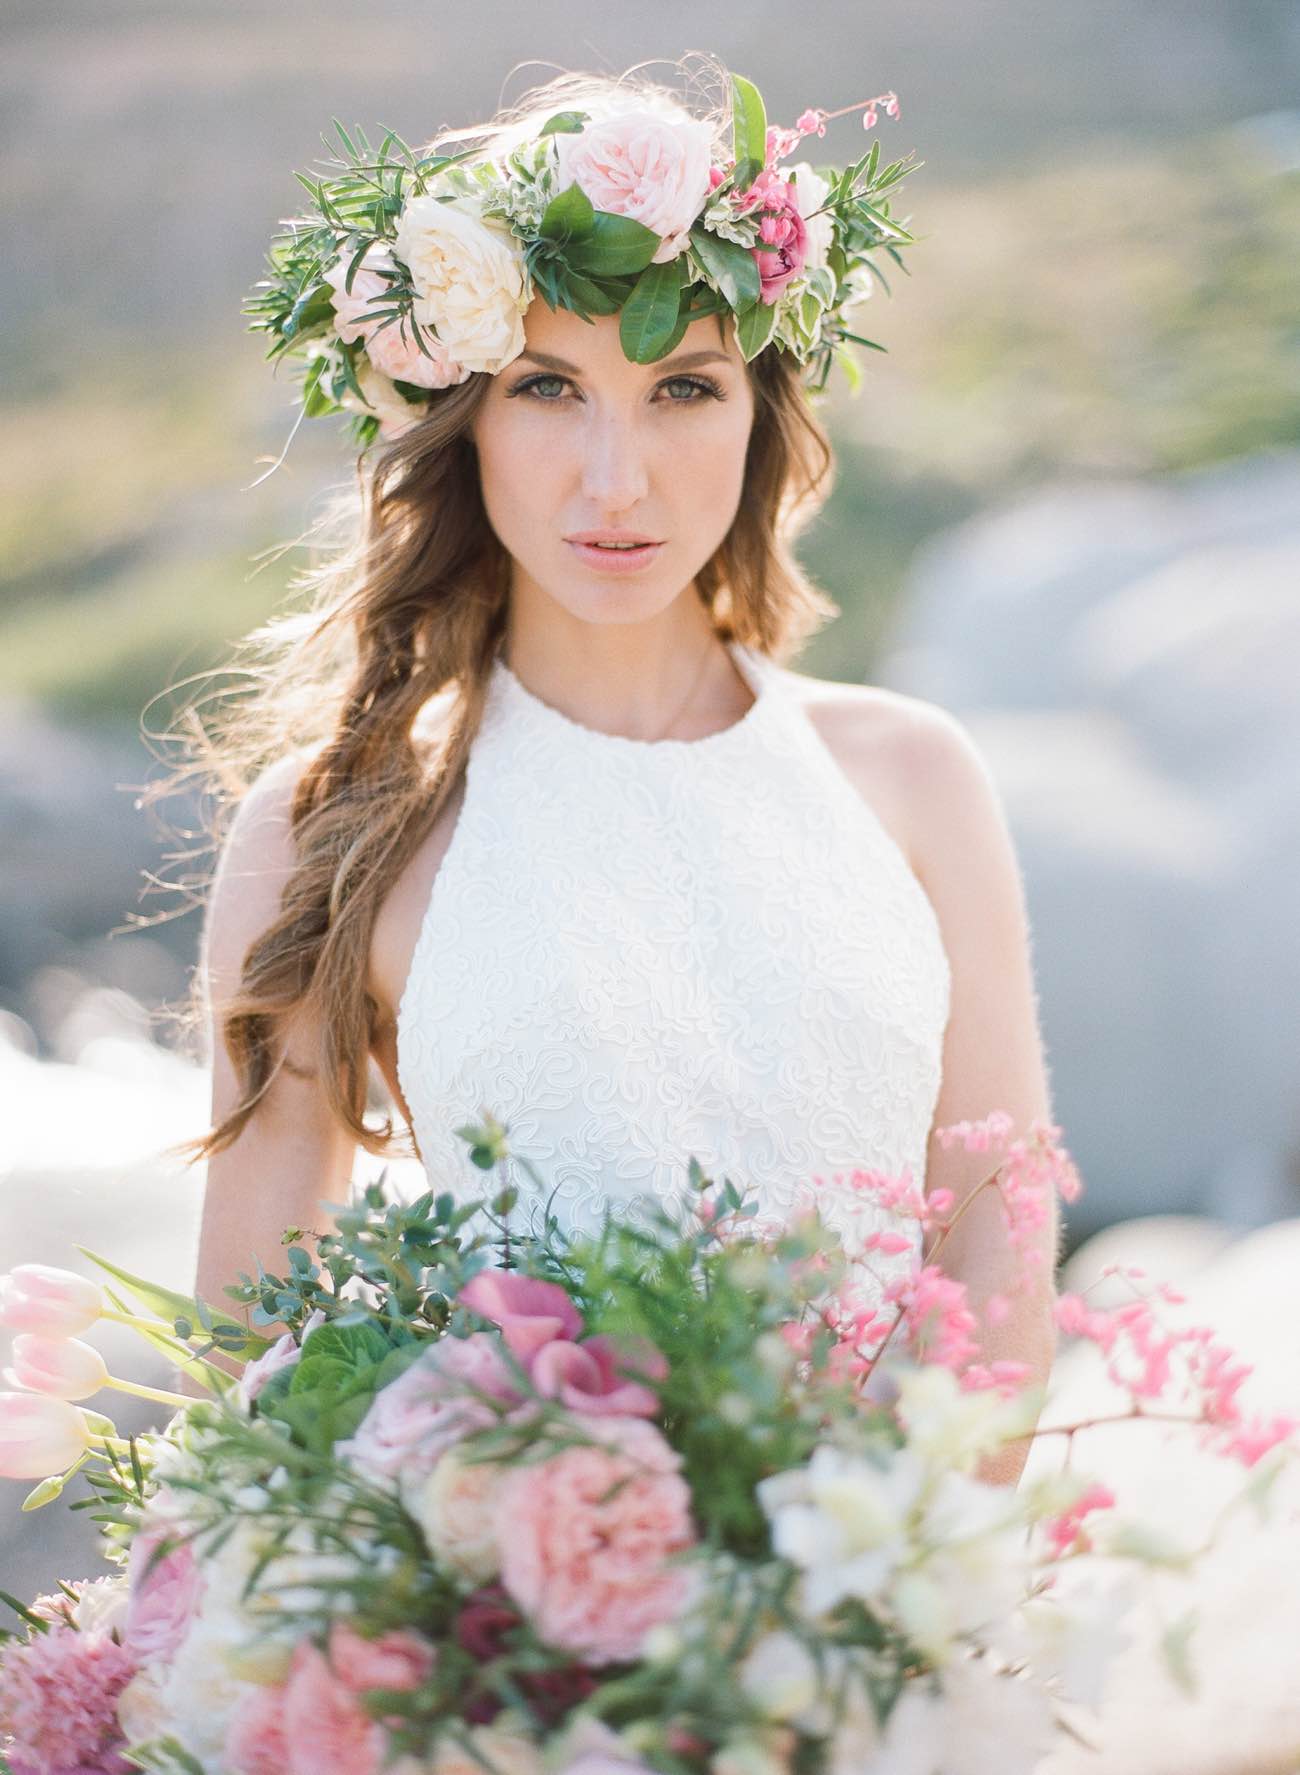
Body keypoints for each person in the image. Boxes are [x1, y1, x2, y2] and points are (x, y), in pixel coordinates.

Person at [175, 55, 1059, 1481]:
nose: (615, 478)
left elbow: (997, 1297)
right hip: (500, 1659)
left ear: (764, 409)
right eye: (547, 386)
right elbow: (251, 1364)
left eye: (683, 388)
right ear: (464, 419)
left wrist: (841, 1618)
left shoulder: (912, 781)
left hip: (872, 1625)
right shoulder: (332, 828)